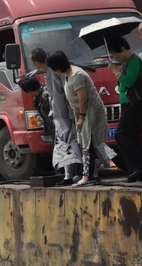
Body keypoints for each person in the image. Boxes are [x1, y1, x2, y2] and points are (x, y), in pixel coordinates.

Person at [46, 51, 108, 187]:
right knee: (86, 145)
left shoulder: (76, 76)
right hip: (83, 112)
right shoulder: (69, 75)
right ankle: (89, 176)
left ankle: (88, 177)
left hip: (89, 112)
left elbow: (83, 98)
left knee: (87, 145)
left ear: (57, 68)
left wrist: (81, 117)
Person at [30, 48, 81, 185]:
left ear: (35, 62)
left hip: (61, 113)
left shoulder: (51, 72)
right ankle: (70, 174)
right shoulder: (50, 71)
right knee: (68, 142)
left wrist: (59, 115)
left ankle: (70, 175)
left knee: (67, 143)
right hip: (61, 112)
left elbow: (58, 95)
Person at [107, 37, 142, 182]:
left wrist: (115, 72)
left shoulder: (134, 61)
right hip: (127, 104)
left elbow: (129, 81)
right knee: (133, 136)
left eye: (115, 54)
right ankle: (137, 168)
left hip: (133, 104)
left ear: (123, 48)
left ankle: (137, 166)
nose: (114, 57)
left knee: (121, 134)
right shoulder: (125, 63)